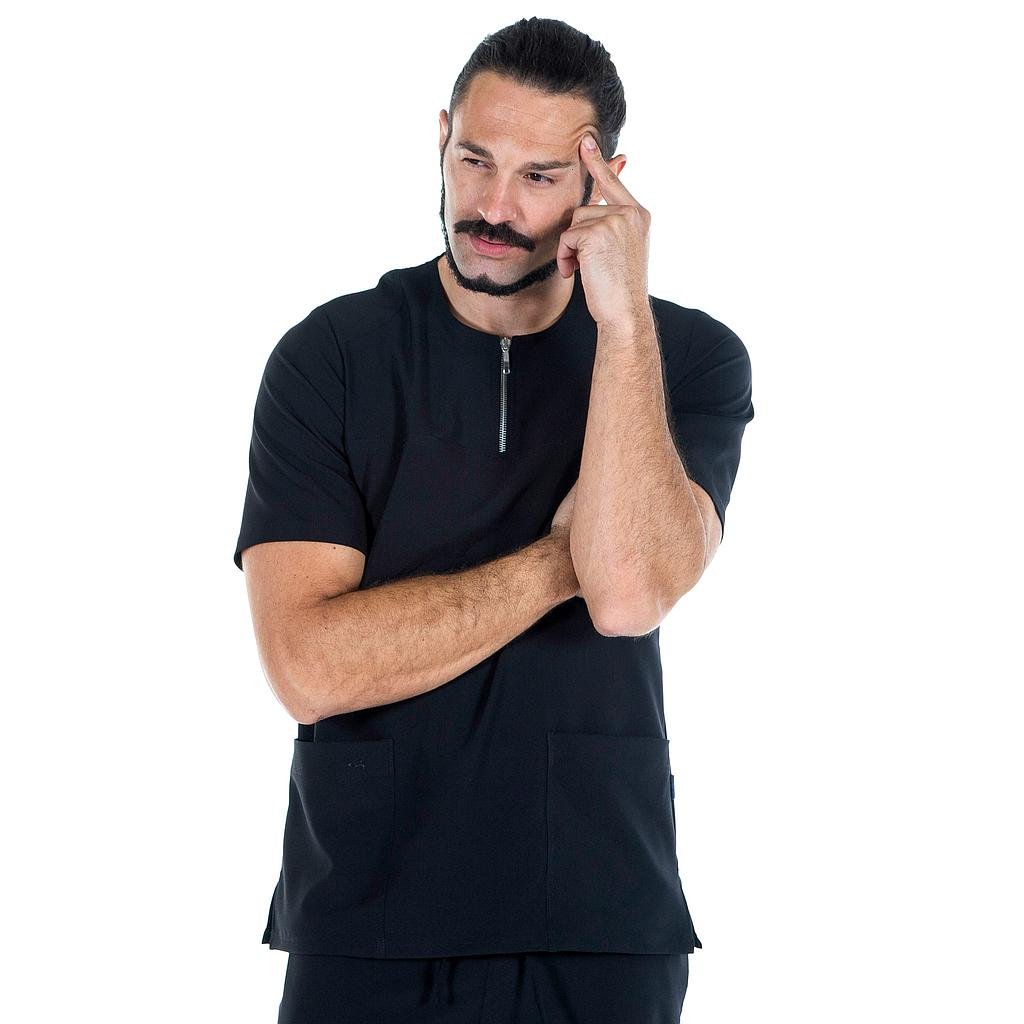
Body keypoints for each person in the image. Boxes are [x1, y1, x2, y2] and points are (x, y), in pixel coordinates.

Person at [233, 16, 754, 1024]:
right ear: (440, 138)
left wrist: (623, 323)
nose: (494, 208)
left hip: (597, 920)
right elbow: (308, 667)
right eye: (474, 160)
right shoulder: (329, 357)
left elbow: (630, 592)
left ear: (605, 185)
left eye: (539, 177)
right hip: (365, 920)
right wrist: (561, 560)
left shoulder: (686, 359)